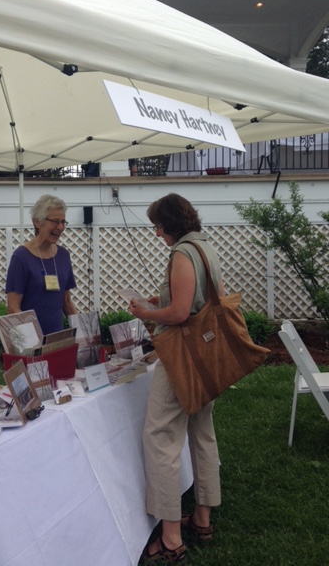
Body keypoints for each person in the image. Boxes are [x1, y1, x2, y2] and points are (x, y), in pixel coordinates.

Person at [129, 193, 223, 564]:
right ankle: (202, 517)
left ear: (170, 223)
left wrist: (147, 313)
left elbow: (182, 313)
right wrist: (161, 301)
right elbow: (202, 300)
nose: (156, 233)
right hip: (208, 356)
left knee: (160, 436)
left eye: (158, 226)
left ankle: (170, 537)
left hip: (183, 357)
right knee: (202, 432)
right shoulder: (205, 247)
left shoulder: (182, 253)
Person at [5, 194, 77, 335]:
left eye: (63, 222)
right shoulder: (21, 257)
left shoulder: (63, 256)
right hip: (31, 341)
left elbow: (66, 301)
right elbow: (13, 309)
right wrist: (34, 339)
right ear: (37, 222)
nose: (60, 227)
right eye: (55, 222)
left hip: (57, 340)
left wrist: (84, 334)